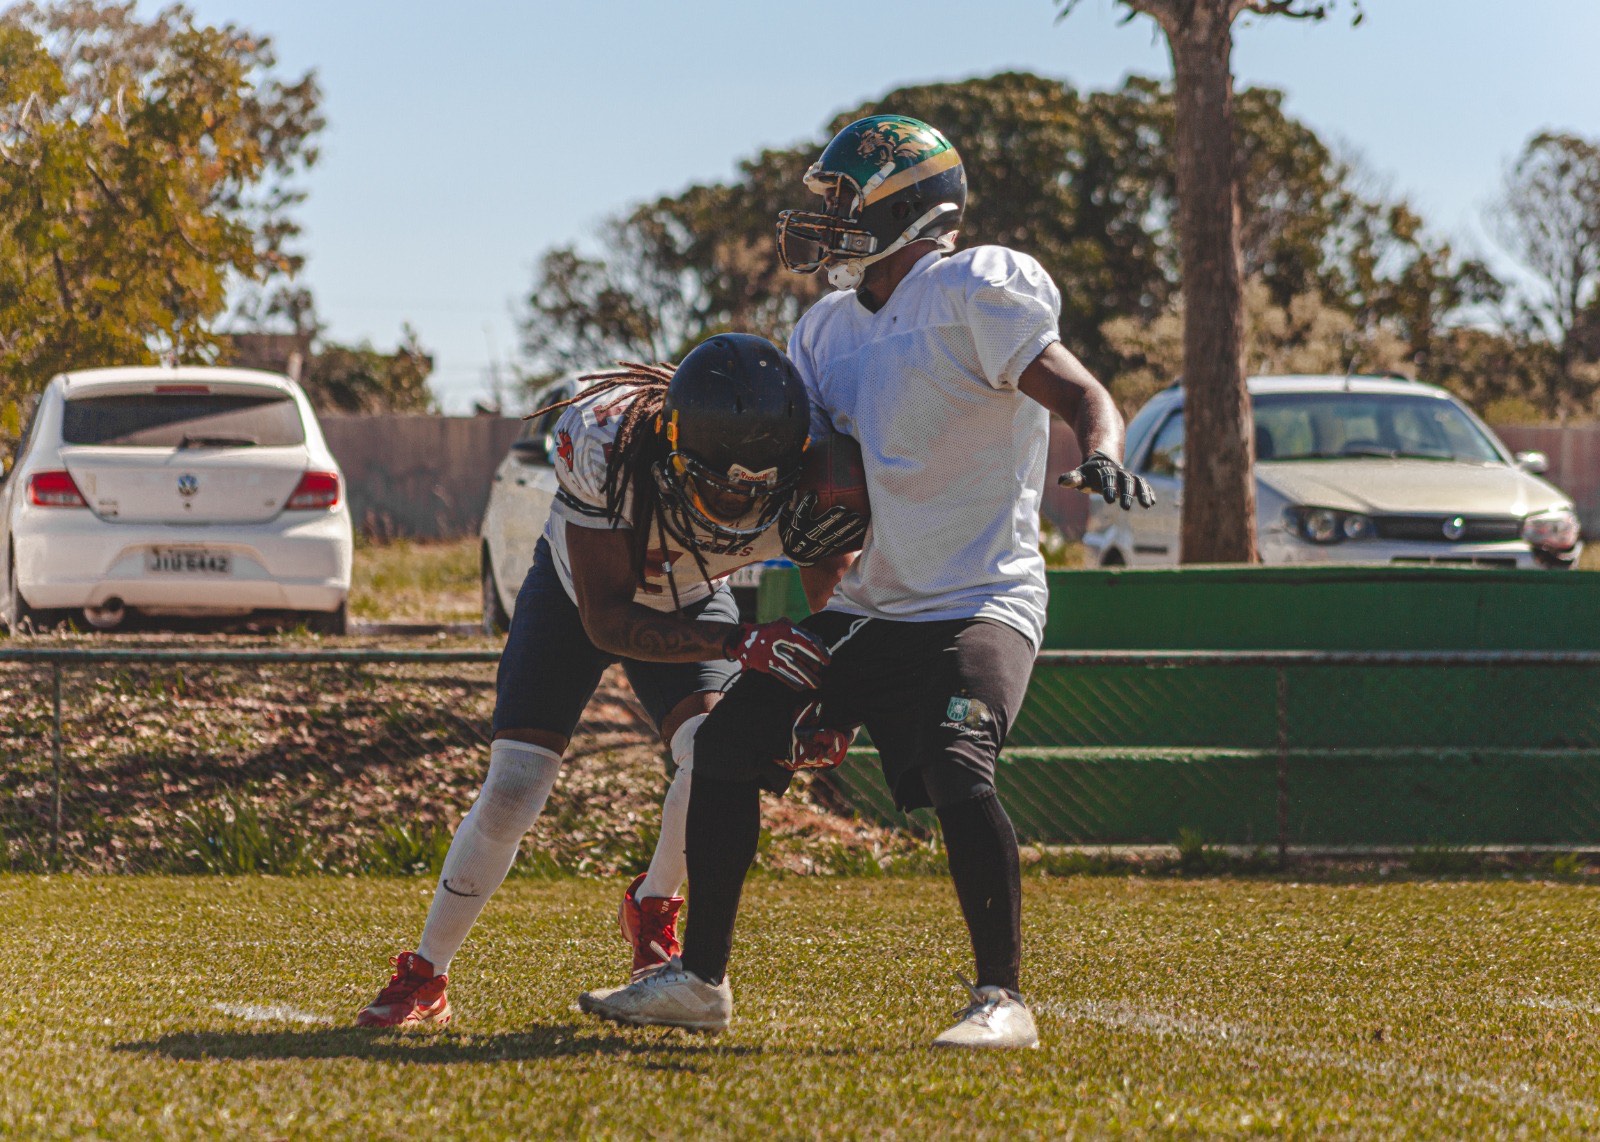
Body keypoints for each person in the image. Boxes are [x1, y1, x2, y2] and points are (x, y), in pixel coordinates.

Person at [578, 115, 1154, 1047]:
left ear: (909, 204)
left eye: (846, 202)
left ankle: (1002, 1000)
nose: (829, 221)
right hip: (869, 606)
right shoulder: (824, 331)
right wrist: (826, 652)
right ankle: (700, 981)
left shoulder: (976, 285)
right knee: (724, 748)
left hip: (979, 598)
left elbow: (1081, 391)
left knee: (958, 769)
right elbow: (822, 509)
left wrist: (1104, 451)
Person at [356, 333, 863, 1028]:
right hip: (578, 599)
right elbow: (607, 618)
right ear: (675, 446)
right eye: (717, 479)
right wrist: (739, 640)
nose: (735, 500)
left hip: (695, 596)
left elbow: (833, 600)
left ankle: (653, 907)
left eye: (755, 485)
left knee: (711, 755)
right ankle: (427, 971)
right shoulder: (609, 442)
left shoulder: (821, 473)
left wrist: (835, 704)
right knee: (513, 788)